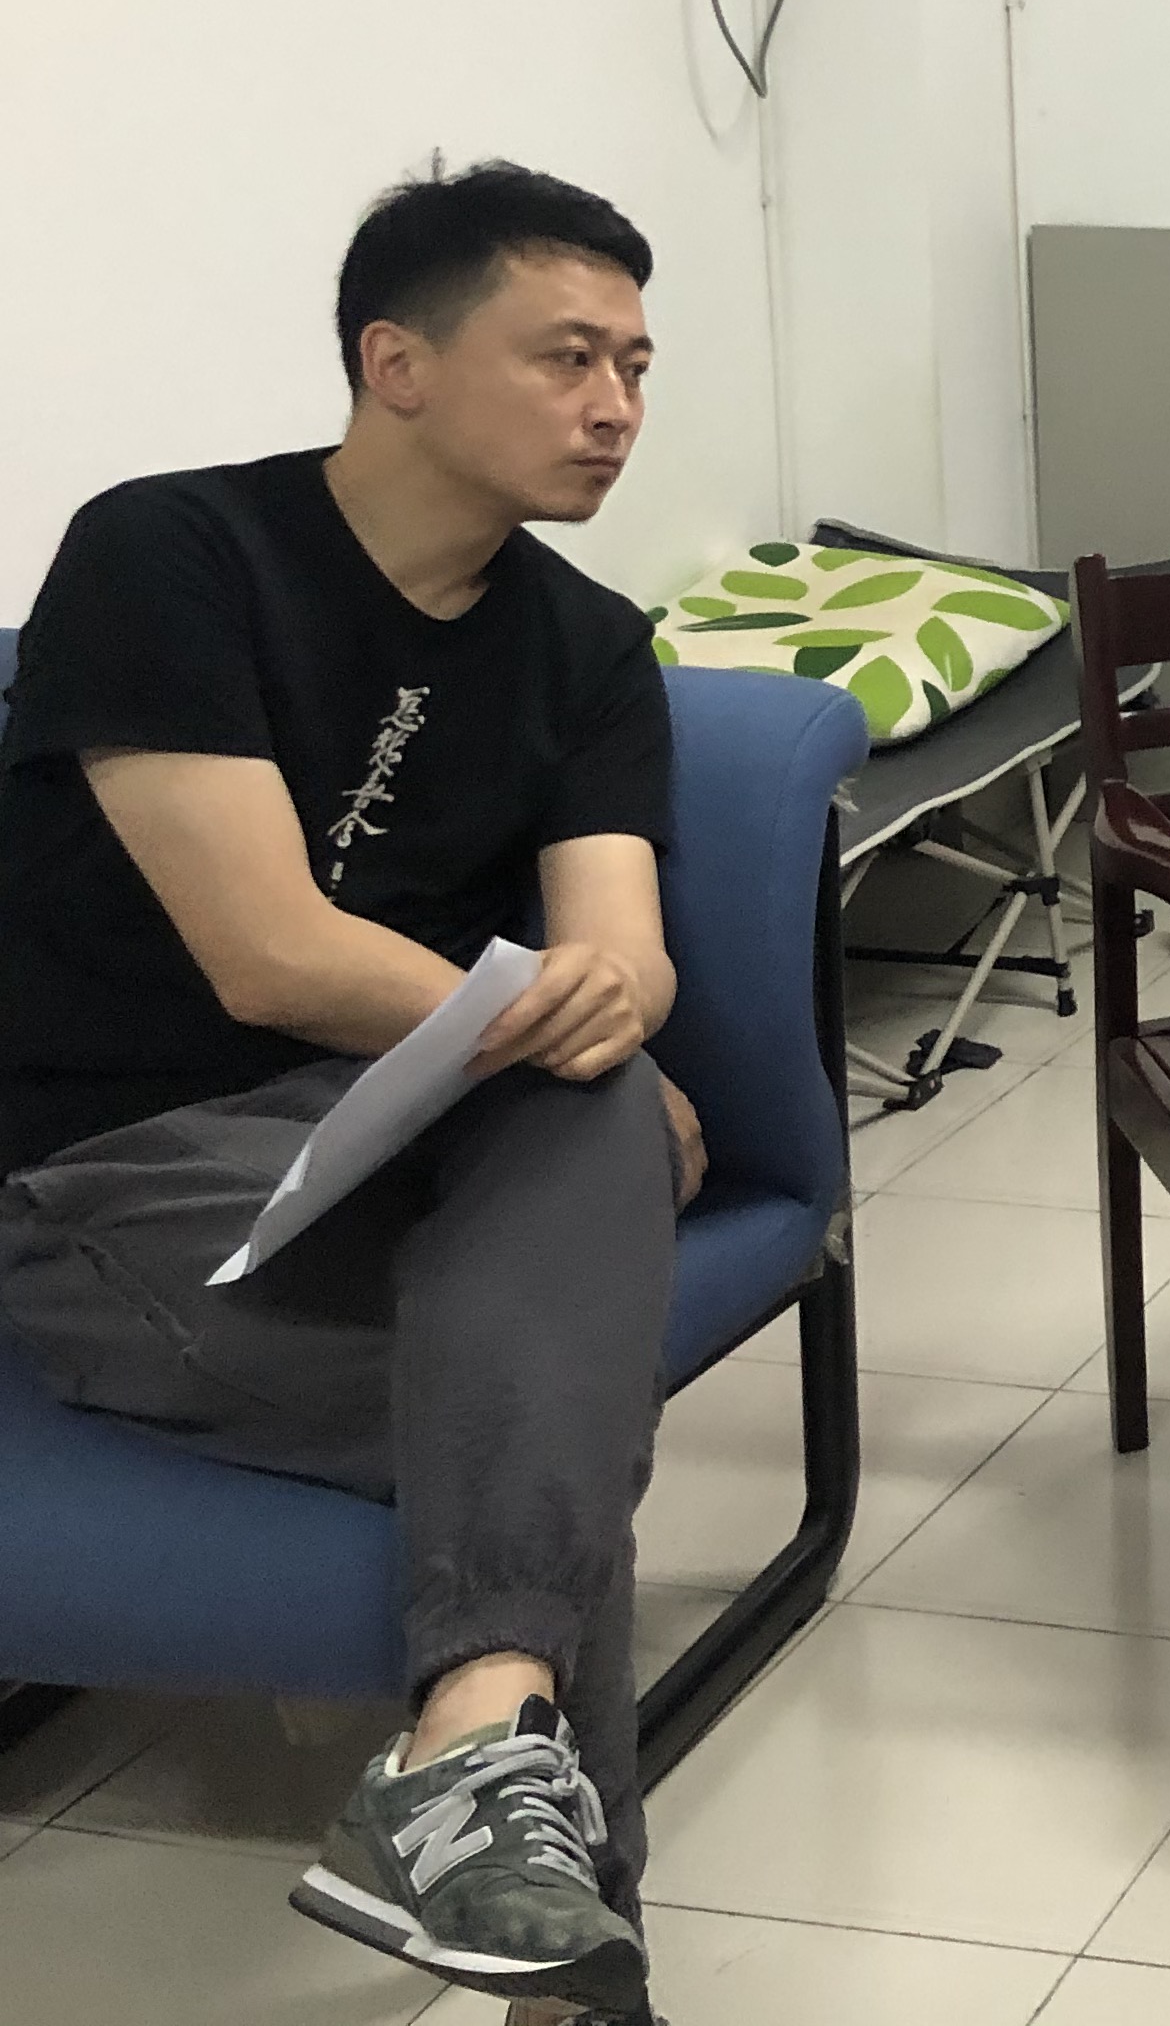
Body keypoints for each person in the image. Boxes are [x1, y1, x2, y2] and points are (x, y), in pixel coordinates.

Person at [0, 164, 700, 2026]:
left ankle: (471, 1750)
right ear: (397, 362)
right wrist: (570, 1021)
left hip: (402, 1159)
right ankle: (574, 1979)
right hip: (129, 1182)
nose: (616, 407)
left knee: (597, 1135)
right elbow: (269, 955)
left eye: (636, 366)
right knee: (553, 1434)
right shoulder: (170, 552)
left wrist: (602, 1024)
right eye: (567, 358)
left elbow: (622, 954)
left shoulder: (589, 643)